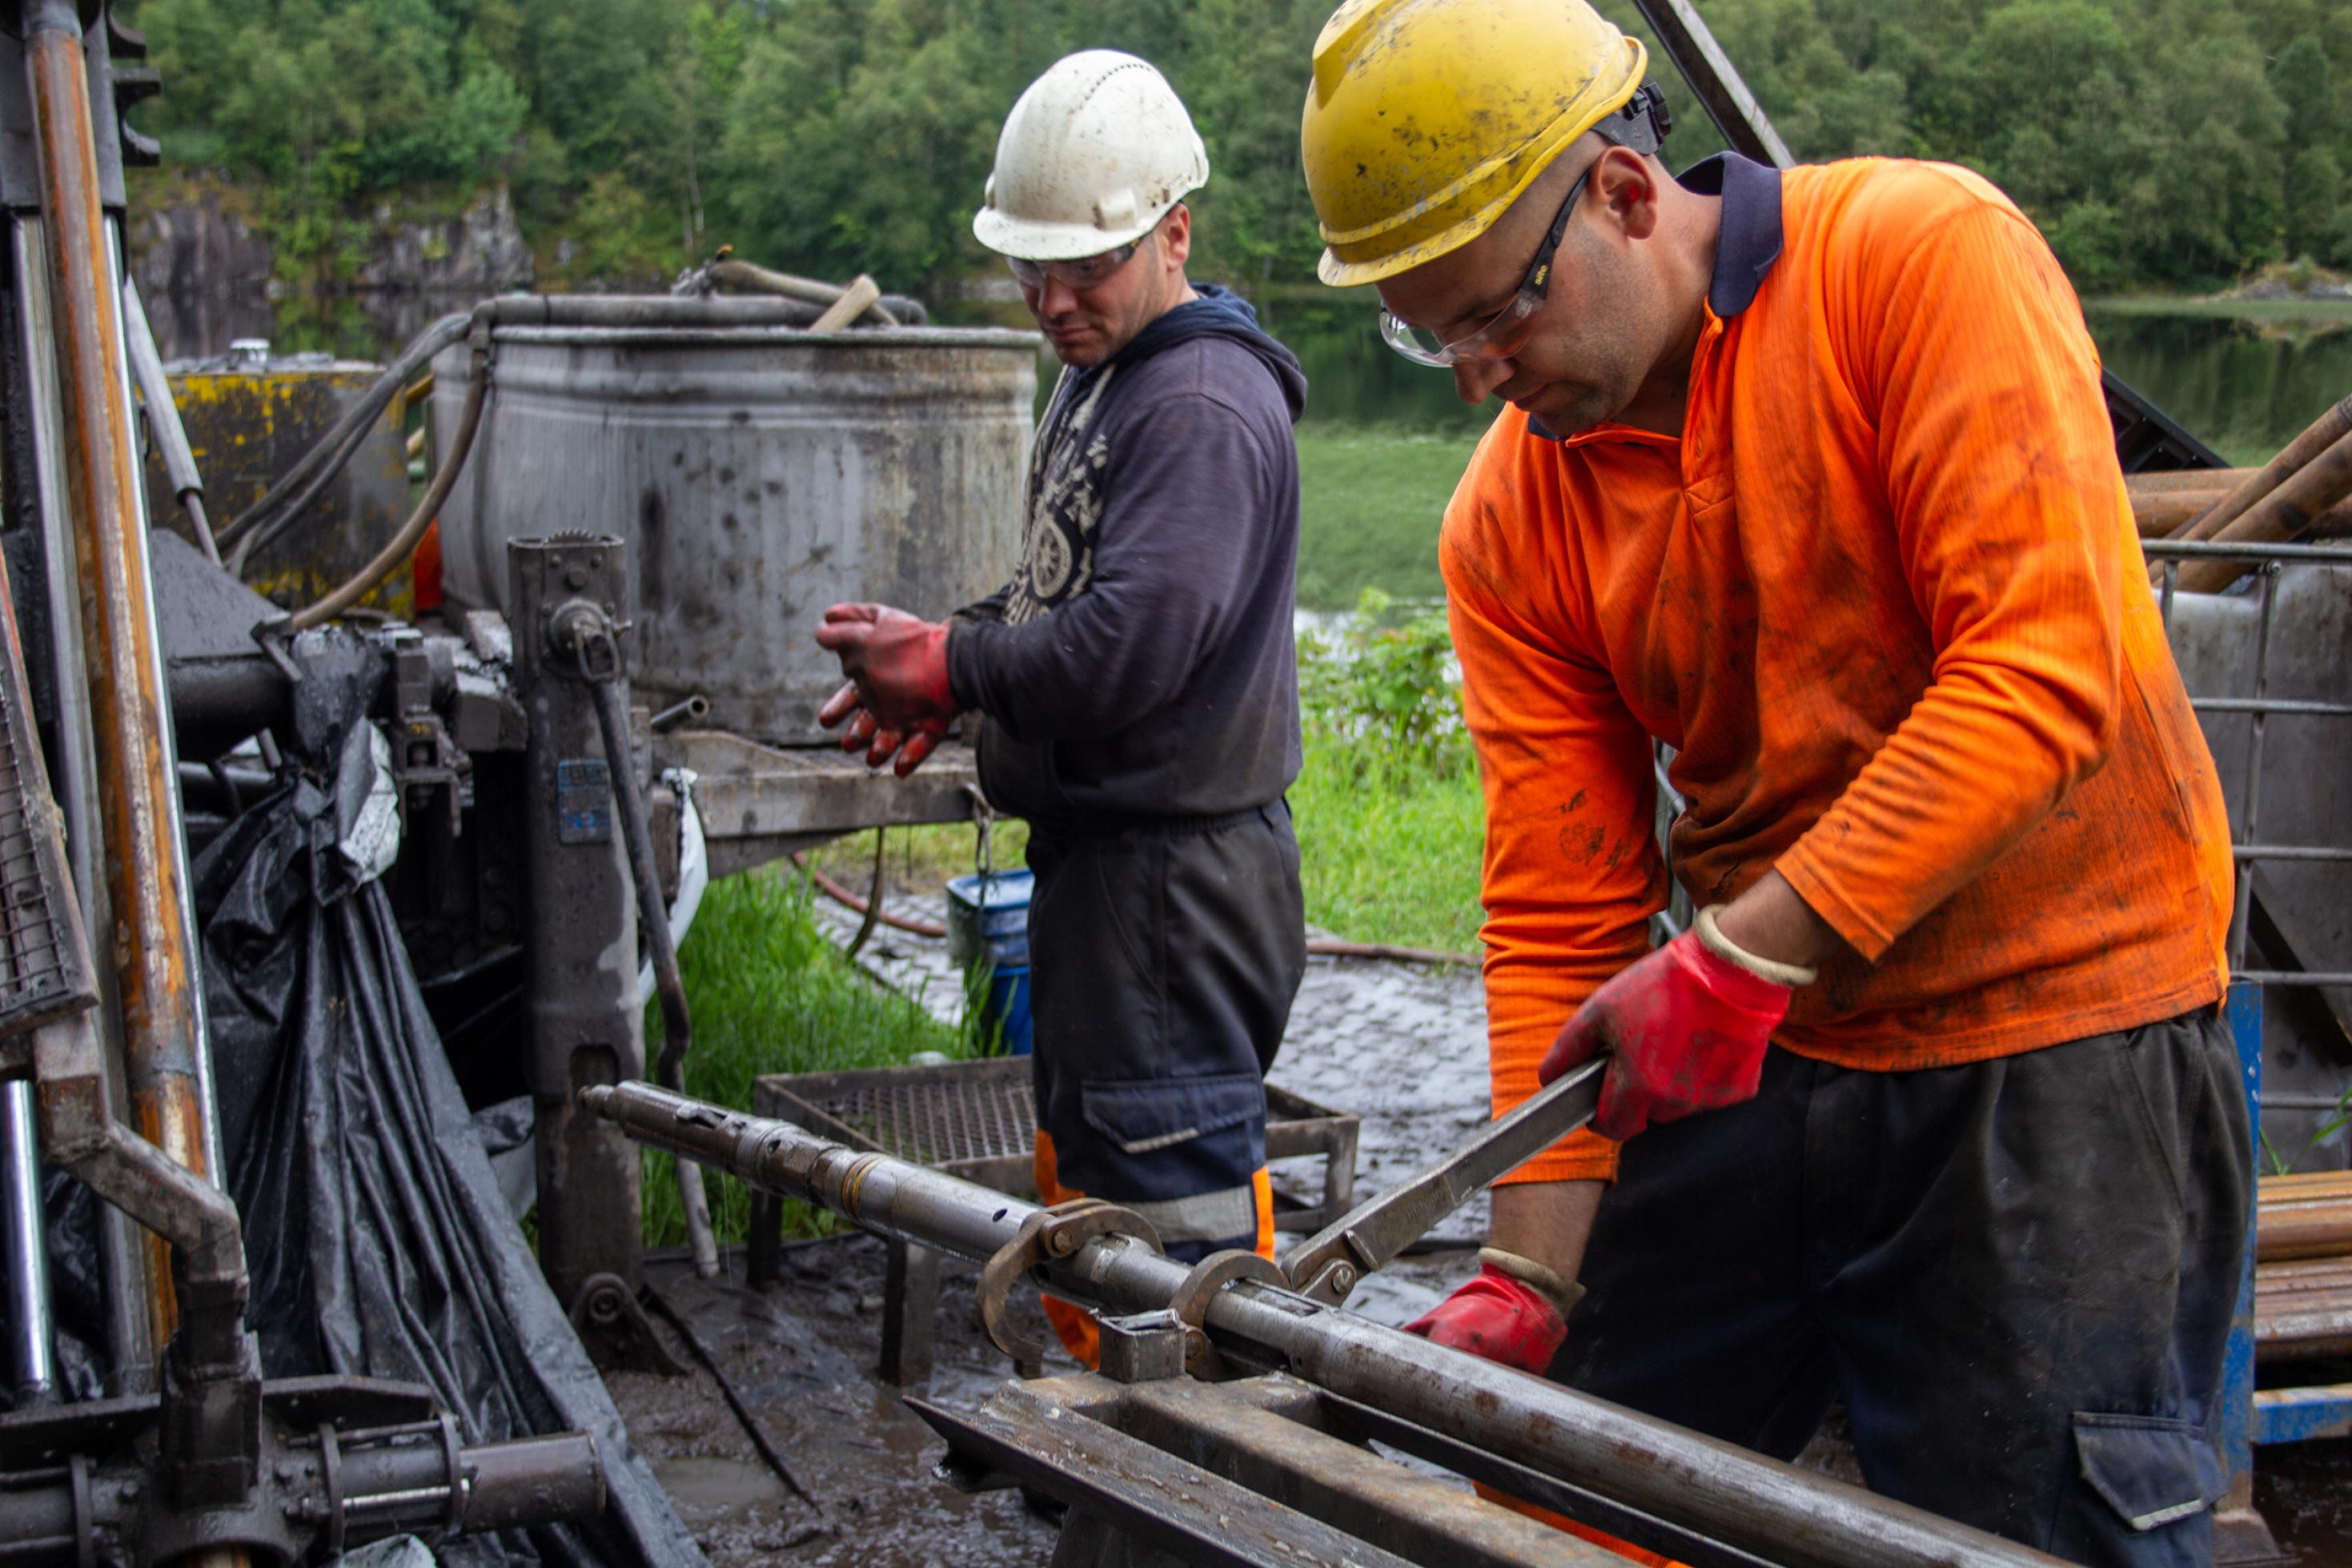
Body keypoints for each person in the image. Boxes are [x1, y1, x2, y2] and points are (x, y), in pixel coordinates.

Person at [1298, 2, 2246, 1561]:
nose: (1471, 374)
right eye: (1425, 332)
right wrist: (1526, 1269)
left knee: (2037, 1527)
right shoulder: (1509, 518)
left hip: (2052, 1031)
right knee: (1566, 1479)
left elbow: (2040, 665)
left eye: (1492, 315)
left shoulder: (1914, 259)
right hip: (1759, 1039)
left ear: (1616, 191)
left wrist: (1736, 951)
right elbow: (1561, 898)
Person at [816, 50, 1310, 1365]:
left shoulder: (1198, 401)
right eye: (1029, 268)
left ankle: (1201, 1465)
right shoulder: (1109, 371)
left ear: (1174, 232)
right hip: (1112, 875)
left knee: (1174, 1225)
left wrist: (955, 670)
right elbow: (1058, 600)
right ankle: (1113, 1444)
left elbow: (1124, 652)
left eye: (1081, 267)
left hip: (1174, 885)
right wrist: (953, 657)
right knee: (1096, 1186)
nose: (1049, 298)